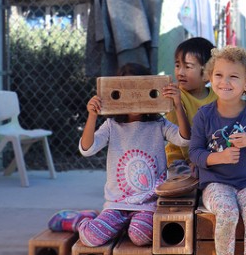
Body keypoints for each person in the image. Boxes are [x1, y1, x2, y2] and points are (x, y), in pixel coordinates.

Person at [76, 63, 191, 247]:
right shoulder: (112, 125)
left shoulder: (158, 123)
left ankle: (120, 226)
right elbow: (87, 149)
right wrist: (92, 115)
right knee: (90, 237)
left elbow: (185, 139)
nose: (135, 99)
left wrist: (177, 105)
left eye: (140, 91)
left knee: (140, 236)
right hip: (116, 204)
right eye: (127, 91)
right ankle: (83, 220)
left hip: (147, 203)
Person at [189, 46, 246, 255]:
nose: (224, 82)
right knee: (227, 212)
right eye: (219, 75)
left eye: (233, 76)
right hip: (216, 183)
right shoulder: (204, 115)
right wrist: (219, 157)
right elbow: (194, 153)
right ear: (210, 77)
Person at [162, 37, 217, 176]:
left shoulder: (218, 96)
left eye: (187, 67)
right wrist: (195, 160)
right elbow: (181, 139)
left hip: (211, 156)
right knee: (188, 180)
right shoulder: (175, 97)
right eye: (177, 65)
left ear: (206, 74)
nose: (180, 72)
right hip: (181, 160)